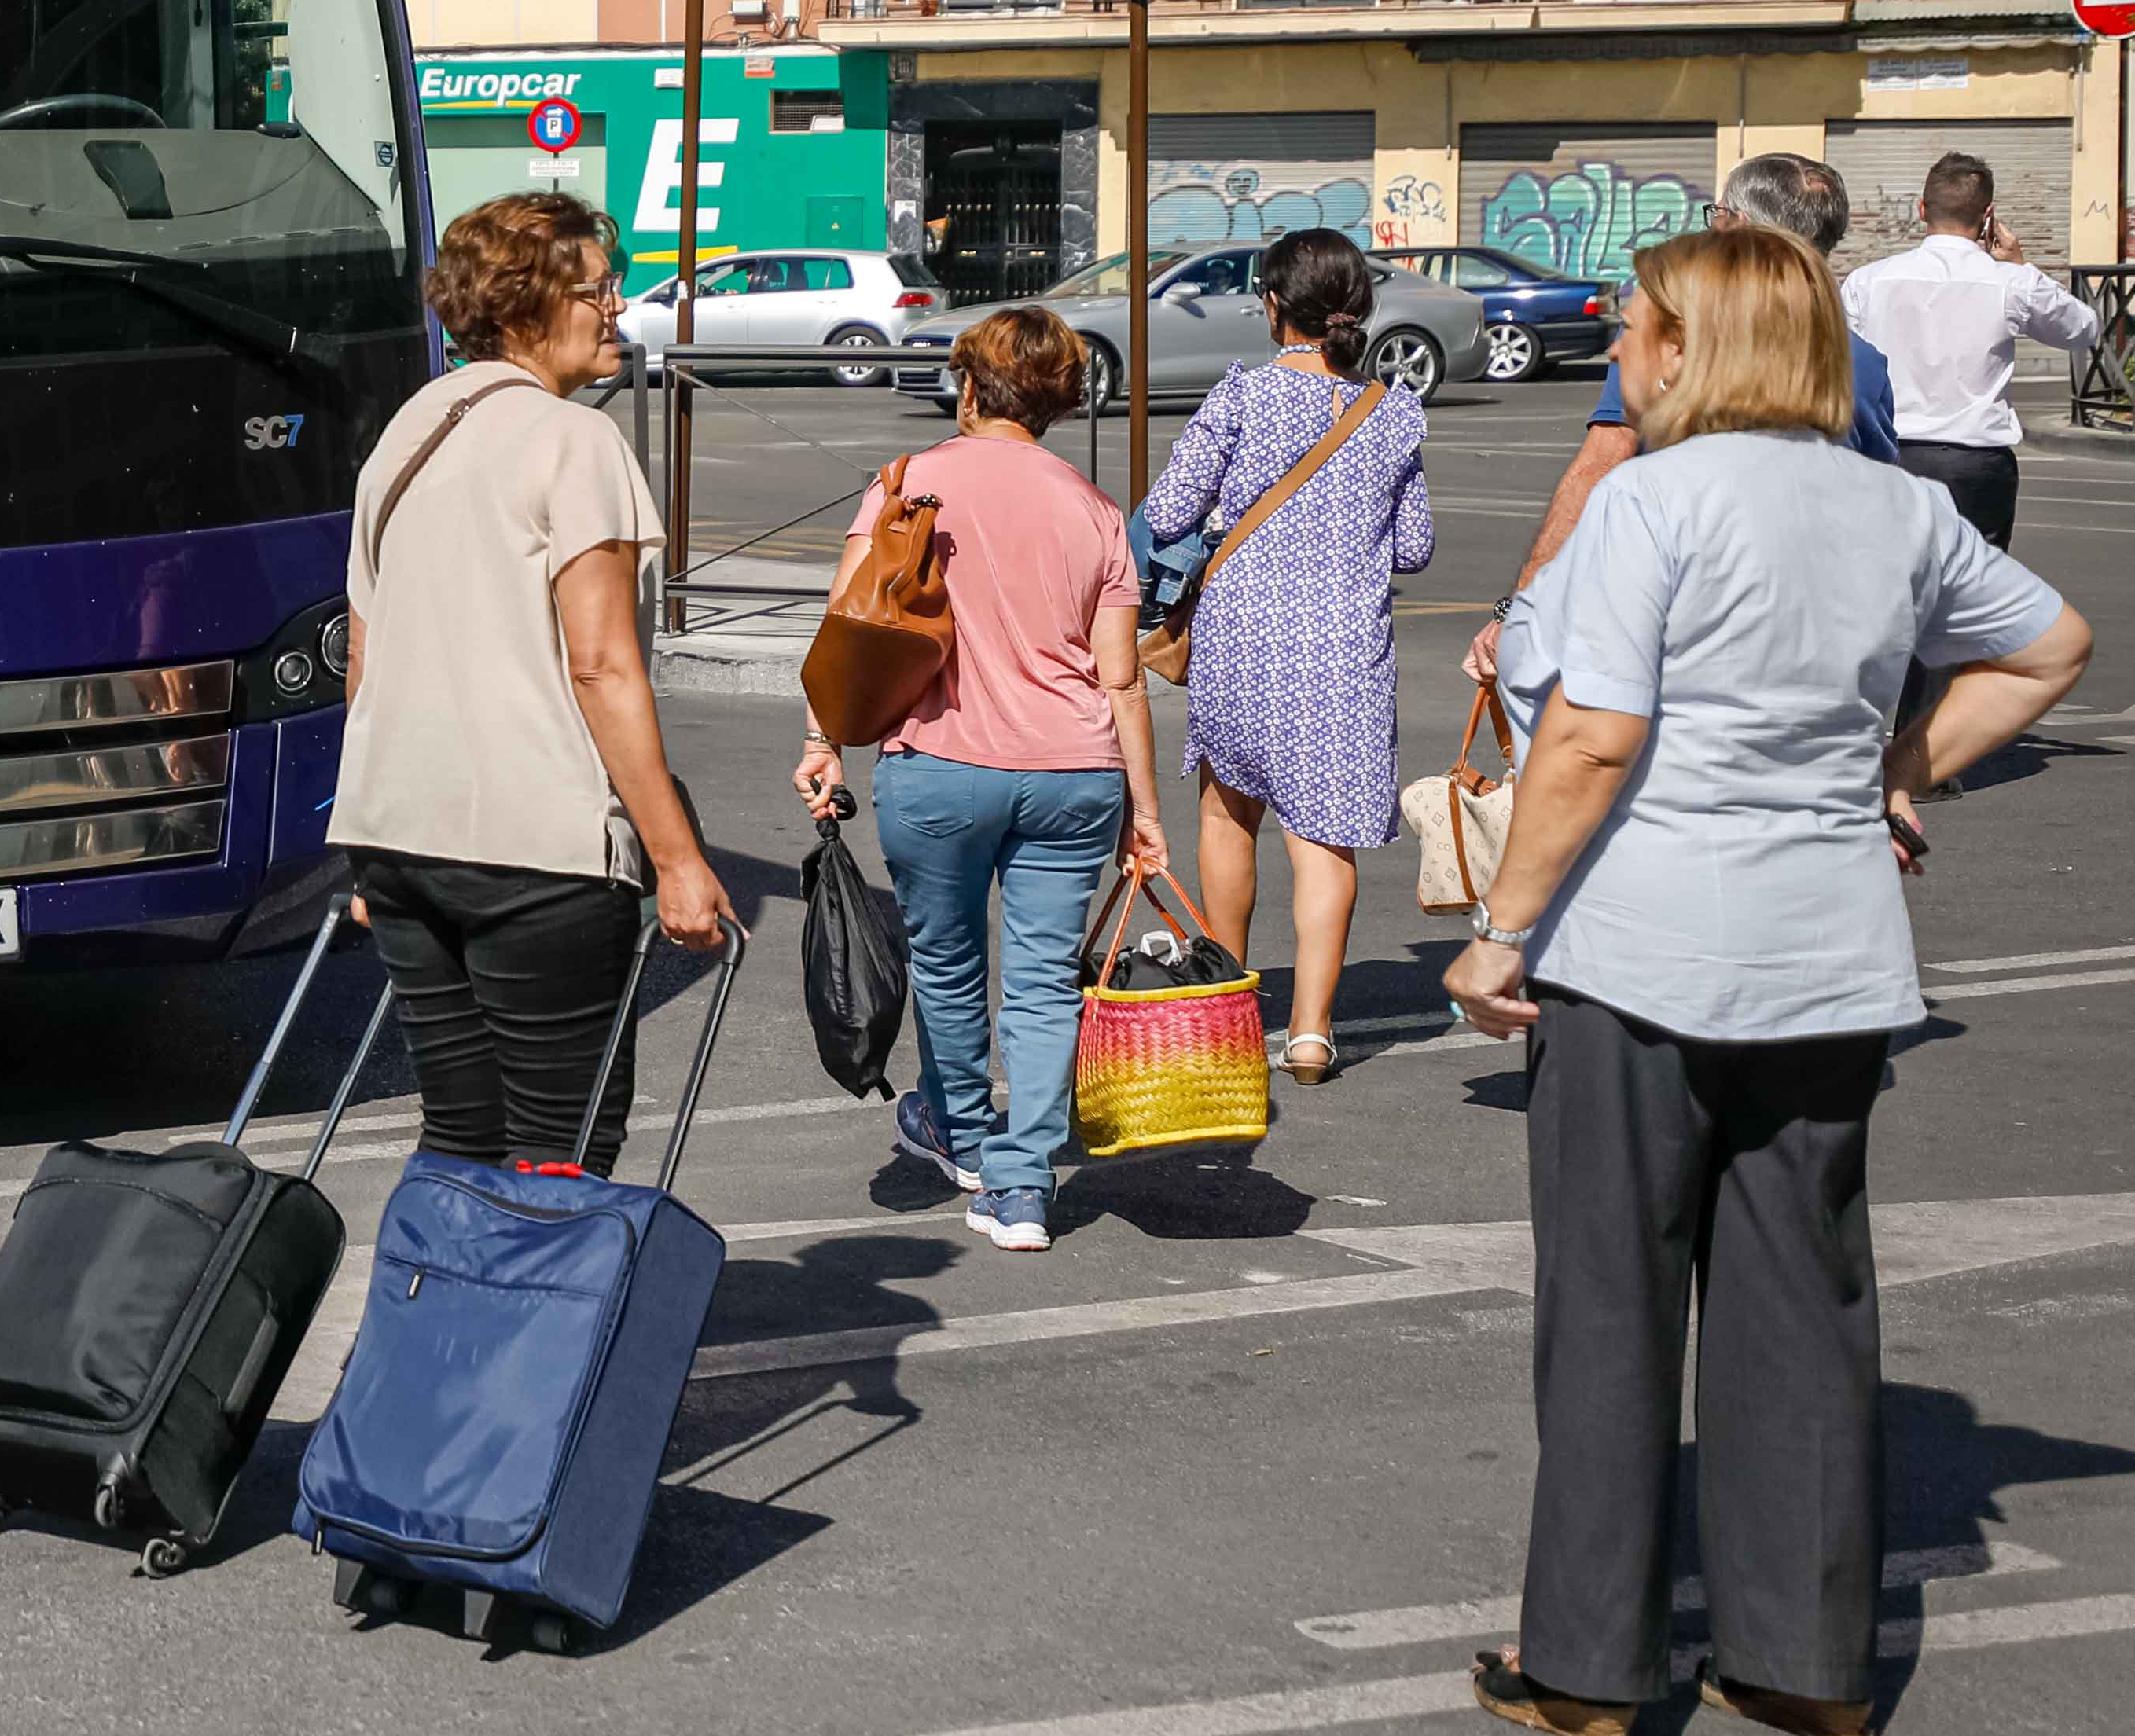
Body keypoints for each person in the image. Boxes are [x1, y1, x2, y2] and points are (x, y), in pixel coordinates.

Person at [1455, 228, 2088, 1736]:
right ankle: (1804, 1659)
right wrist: (1892, 765)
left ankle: (1589, 1666)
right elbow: (2049, 643)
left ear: (1691, 348)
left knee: (1610, 1306)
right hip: (1831, 962)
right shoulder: (1890, 505)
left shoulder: (1646, 502)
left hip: (1640, 956)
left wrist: (1501, 925)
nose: (1614, 353)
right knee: (1803, 1306)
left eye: (1632, 332)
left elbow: (1592, 736)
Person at [331, 194, 733, 1179]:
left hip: (395, 834)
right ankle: (540, 1333)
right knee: (560, 1150)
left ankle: (444, 1329)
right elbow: (600, 665)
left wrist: (362, 852)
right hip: (534, 847)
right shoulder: (572, 442)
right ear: (525, 304)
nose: (616, 307)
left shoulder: (408, 428)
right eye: (596, 290)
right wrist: (675, 859)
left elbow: (365, 658)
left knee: (461, 1135)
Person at [796, 308, 1167, 1253]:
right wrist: (1144, 810)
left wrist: (822, 742)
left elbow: (850, 623)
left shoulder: (907, 485)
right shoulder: (1092, 509)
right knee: (1043, 984)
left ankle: (959, 1134)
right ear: (1057, 402)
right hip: (1074, 771)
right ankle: (1020, 1190)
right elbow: (1119, 676)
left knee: (947, 960)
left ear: (967, 386)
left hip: (939, 768)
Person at [1137, 228, 1432, 1085]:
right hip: (1342, 654)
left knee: (1228, 818)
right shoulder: (1391, 411)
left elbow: (1168, 509)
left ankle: (1224, 1011)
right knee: (1322, 842)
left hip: (1240, 643)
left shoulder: (1239, 397)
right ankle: (1309, 1033)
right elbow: (1411, 547)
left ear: (1273, 304)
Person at [1468, 155, 1898, 685]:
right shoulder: (1866, 366)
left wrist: (1523, 609)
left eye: (1716, 213)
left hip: (1674, 652)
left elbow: (1602, 462)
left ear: (1736, 225)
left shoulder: (1666, 341)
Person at [1843, 151, 2095, 552]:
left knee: (1894, 585)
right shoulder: (2011, 282)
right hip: (1977, 465)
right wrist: (2022, 266)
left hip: (1891, 457)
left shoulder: (1866, 281)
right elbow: (2082, 328)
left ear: (1921, 209)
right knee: (1978, 596)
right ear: (1989, 215)